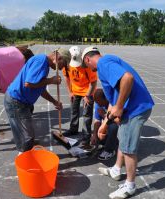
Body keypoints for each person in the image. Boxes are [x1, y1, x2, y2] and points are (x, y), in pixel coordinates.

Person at [81, 46, 154, 199]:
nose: (87, 68)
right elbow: (112, 102)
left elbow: (128, 78)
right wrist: (103, 125)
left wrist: (120, 107)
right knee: (123, 139)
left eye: (85, 65)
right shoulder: (108, 60)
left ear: (87, 59)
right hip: (134, 107)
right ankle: (116, 169)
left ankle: (130, 186)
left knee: (128, 148)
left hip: (136, 109)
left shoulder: (103, 63)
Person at [4, 48, 71, 154]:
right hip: (16, 101)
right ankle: (25, 158)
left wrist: (54, 101)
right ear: (59, 58)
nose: (61, 68)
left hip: (21, 102)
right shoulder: (41, 61)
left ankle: (27, 150)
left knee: (27, 134)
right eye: (63, 65)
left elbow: (40, 89)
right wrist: (51, 80)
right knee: (25, 136)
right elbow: (29, 83)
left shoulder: (44, 63)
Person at [62, 46, 97, 147]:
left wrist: (88, 95)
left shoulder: (87, 65)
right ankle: (73, 130)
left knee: (87, 115)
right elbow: (67, 78)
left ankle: (86, 136)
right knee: (74, 111)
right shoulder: (67, 64)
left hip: (88, 91)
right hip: (75, 91)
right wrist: (70, 92)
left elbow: (93, 83)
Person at [91, 88, 118, 160]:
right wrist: (94, 135)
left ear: (106, 98)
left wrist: (104, 114)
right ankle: (109, 142)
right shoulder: (98, 103)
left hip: (121, 125)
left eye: (99, 102)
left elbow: (119, 120)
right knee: (96, 132)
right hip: (107, 125)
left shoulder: (114, 102)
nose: (98, 104)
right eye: (96, 102)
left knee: (112, 126)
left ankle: (109, 151)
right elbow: (97, 120)